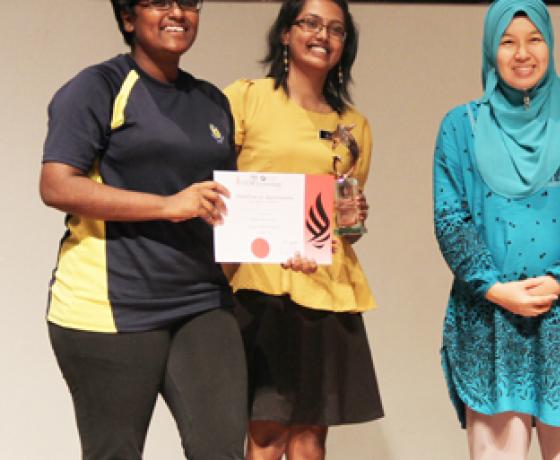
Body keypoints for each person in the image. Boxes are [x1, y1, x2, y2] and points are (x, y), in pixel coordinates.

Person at [40, 1, 246, 459]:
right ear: (129, 18)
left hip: (200, 303)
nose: (177, 12)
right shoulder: (98, 87)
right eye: (158, 1)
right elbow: (56, 185)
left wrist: (284, 243)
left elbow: (225, 203)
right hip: (109, 307)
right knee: (114, 453)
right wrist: (168, 206)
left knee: (222, 451)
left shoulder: (212, 101)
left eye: (188, 2)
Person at [432, 1, 560, 458]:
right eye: (507, 42)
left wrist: (558, 281)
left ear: (550, 44)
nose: (522, 53)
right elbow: (451, 217)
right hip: (490, 320)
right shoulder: (460, 126)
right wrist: (495, 289)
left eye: (534, 39)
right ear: (491, 51)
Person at [223, 1, 383, 458]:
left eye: (336, 30)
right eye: (310, 23)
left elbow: (345, 228)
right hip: (257, 288)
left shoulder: (353, 126)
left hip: (325, 289)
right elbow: (218, 183)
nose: (322, 36)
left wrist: (354, 220)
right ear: (285, 34)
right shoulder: (246, 97)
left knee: (311, 437)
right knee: (266, 432)